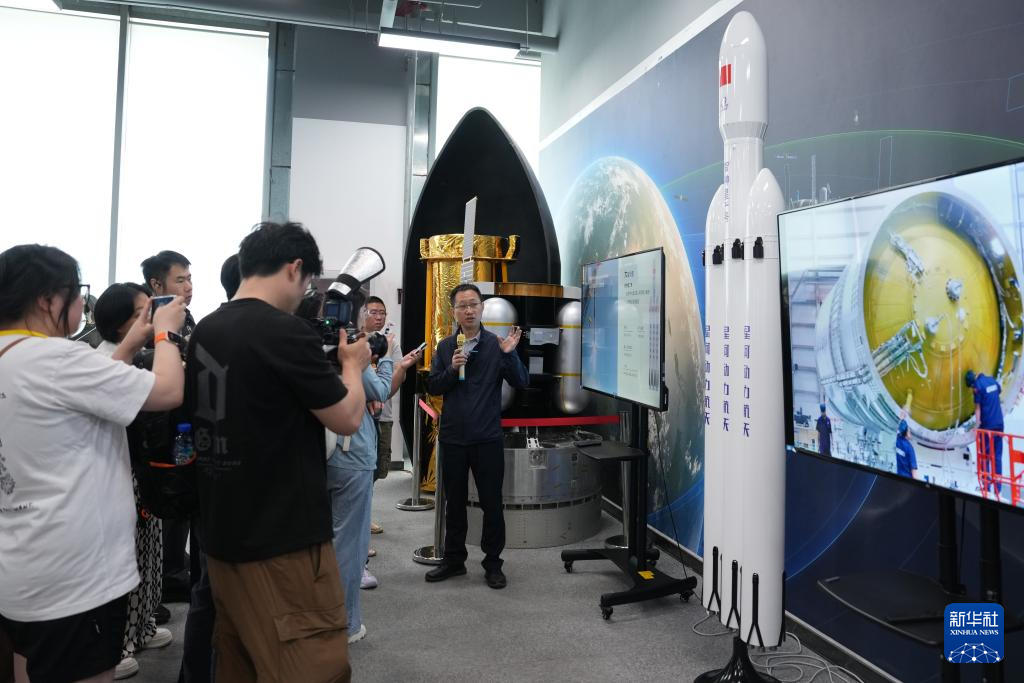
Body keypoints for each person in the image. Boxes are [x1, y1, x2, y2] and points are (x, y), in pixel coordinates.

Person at [185, 222, 371, 682]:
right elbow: (347, 417)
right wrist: (352, 366)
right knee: (311, 666)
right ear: (294, 268)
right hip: (283, 541)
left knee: (240, 662)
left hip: (222, 536)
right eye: (307, 282)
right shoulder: (283, 332)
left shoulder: (207, 328)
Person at [0, 244, 185, 683]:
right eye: (75, 294)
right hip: (76, 574)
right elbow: (167, 391)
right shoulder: (58, 358)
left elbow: (83, 394)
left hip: (21, 566)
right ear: (48, 300)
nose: (82, 304)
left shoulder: (16, 355)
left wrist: (131, 343)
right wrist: (166, 334)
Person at [93, 283, 175, 679]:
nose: (152, 317)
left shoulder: (138, 357)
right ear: (121, 323)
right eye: (144, 311)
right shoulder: (105, 361)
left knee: (149, 557)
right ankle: (120, 644)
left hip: (142, 472)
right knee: (126, 562)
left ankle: (142, 627)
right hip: (118, 475)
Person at [425, 283, 528, 589]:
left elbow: (521, 381)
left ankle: (493, 563)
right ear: (454, 312)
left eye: (473, 304)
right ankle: (454, 560)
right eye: (462, 306)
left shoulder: (498, 345)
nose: (469, 311)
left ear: (482, 308)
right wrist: (451, 369)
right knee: (454, 503)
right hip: (453, 438)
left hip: (487, 438)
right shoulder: (446, 347)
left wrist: (510, 355)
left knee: (491, 504)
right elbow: (434, 386)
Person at [141, 249, 195, 600]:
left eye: (190, 279)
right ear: (156, 284)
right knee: (160, 504)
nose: (188, 286)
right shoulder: (146, 321)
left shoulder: (185, 318)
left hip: (182, 426)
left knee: (181, 501)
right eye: (180, 280)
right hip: (154, 429)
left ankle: (173, 568)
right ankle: (163, 580)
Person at [361, 296, 400, 534]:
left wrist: (401, 368)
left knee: (378, 469)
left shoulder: (390, 343)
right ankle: (361, 520)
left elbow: (394, 377)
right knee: (361, 470)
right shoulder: (355, 341)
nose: (379, 317)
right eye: (373, 312)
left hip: (383, 414)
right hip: (359, 417)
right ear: (362, 313)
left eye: (382, 313)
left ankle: (364, 514)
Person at [966, 369, 1005, 499]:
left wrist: (976, 426)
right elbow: (999, 390)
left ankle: (986, 487)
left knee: (985, 456)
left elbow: (978, 409)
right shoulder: (991, 380)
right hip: (999, 424)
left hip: (987, 427)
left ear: (972, 384)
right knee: (997, 456)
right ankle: (998, 490)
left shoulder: (977, 387)